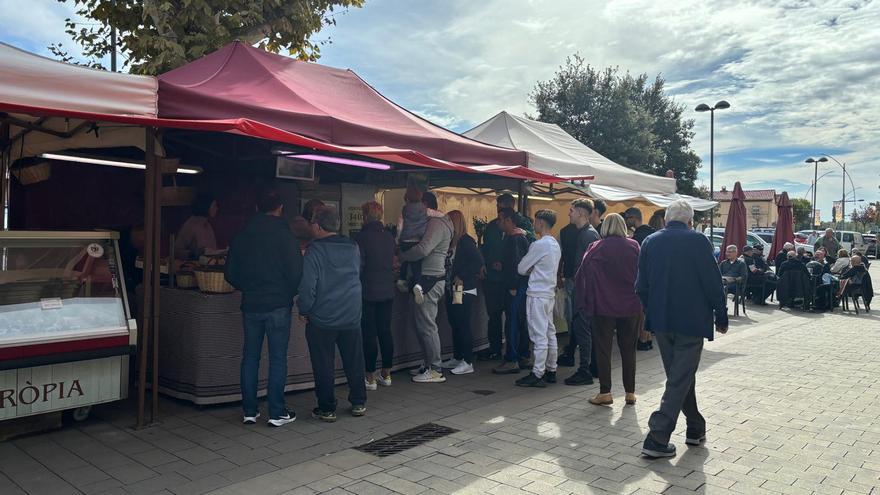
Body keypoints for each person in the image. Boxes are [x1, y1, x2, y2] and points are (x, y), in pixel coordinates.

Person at [636, 200, 728, 458]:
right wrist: (721, 315)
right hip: (692, 320)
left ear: (665, 220)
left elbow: (641, 286)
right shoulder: (698, 241)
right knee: (680, 378)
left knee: (680, 376)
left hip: (662, 320)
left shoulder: (650, 242)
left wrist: (651, 309)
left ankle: (695, 426)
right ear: (690, 221)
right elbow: (713, 283)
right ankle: (657, 436)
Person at [225, 189, 302, 427]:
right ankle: (277, 412)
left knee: (250, 357)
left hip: (251, 304)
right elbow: (296, 271)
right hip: (278, 303)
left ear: (257, 208)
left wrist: (247, 287)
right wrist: (289, 292)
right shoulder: (285, 234)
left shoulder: (243, 234)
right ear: (280, 208)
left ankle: (249, 410)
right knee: (277, 358)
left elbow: (230, 273)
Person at [298, 206, 367, 422]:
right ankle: (358, 402)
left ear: (317, 226)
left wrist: (304, 309)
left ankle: (327, 408)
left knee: (323, 363)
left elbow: (308, 285)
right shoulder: (353, 247)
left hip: (323, 317)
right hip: (351, 313)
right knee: (354, 360)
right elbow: (358, 273)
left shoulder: (314, 251)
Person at [578, 213, 642, 406]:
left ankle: (605, 392)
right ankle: (630, 392)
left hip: (603, 305)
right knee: (629, 349)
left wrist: (584, 301)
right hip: (631, 305)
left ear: (604, 227)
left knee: (603, 349)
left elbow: (583, 274)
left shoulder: (596, 247)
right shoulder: (634, 246)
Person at [400, 192, 454, 383]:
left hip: (430, 280)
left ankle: (435, 369)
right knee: (423, 325)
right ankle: (428, 363)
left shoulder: (436, 224)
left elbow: (424, 249)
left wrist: (403, 256)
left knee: (427, 326)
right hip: (428, 279)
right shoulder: (435, 222)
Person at [478, 192, 535, 361]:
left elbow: (529, 244)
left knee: (516, 317)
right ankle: (495, 348)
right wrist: (483, 263)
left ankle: (521, 351)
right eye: (497, 208)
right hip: (493, 278)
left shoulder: (521, 225)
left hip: (512, 278)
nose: (499, 213)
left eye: (502, 209)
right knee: (494, 315)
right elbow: (484, 246)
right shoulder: (491, 226)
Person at [514, 210, 562, 387]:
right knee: (550, 332)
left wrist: (531, 269)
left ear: (541, 222)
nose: (534, 224)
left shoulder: (539, 245)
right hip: (549, 293)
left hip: (536, 293)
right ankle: (551, 369)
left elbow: (521, 268)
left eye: (535, 221)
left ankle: (537, 373)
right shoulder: (555, 244)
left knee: (538, 334)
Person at [559, 199, 601, 386]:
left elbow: (592, 267)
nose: (569, 214)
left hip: (584, 291)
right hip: (583, 289)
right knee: (582, 329)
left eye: (571, 210)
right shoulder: (585, 234)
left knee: (583, 329)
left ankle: (585, 369)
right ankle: (589, 367)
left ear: (582, 214)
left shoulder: (588, 236)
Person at [356, 202, 396, 390]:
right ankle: (386, 373)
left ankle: (369, 376)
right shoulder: (389, 237)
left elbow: (359, 266)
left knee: (369, 334)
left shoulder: (361, 238)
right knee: (385, 331)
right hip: (387, 291)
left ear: (365, 216)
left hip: (368, 292)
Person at [441, 210, 484, 376]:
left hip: (464, 289)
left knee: (463, 323)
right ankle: (458, 356)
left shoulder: (466, 241)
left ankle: (467, 360)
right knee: (455, 323)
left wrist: (462, 276)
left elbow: (478, 261)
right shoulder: (452, 242)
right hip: (452, 289)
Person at [492, 207, 532, 374]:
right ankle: (523, 355)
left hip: (515, 286)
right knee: (520, 321)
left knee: (513, 322)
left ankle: (512, 358)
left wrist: (513, 286)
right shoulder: (519, 237)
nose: (498, 222)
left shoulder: (515, 239)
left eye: (500, 219)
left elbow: (516, 264)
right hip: (520, 285)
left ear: (509, 220)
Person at [396, 185, 446, 303]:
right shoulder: (424, 209)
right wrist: (443, 215)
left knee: (405, 260)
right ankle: (418, 284)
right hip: (417, 240)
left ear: (407, 199)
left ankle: (401, 279)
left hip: (405, 241)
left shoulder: (404, 210)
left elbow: (399, 225)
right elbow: (437, 214)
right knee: (416, 265)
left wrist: (398, 238)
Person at [624, 207, 656, 350]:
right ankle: (647, 338)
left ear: (633, 218)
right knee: (647, 308)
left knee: (641, 310)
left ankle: (642, 339)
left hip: (641, 276)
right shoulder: (653, 233)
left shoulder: (638, 237)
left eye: (627, 217)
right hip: (653, 276)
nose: (625, 220)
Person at [175, 193, 219, 260]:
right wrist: (193, 254)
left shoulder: (208, 225)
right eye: (214, 206)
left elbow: (214, 250)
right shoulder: (191, 225)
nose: (217, 209)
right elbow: (176, 251)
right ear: (206, 206)